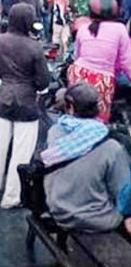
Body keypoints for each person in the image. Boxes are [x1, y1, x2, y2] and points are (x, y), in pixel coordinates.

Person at [0, 4, 50, 209]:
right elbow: (43, 82)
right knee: (21, 151)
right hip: (27, 102)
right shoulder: (34, 47)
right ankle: (12, 197)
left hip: (4, 98)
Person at [42, 84, 131, 235]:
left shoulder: (55, 132)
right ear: (98, 108)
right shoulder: (111, 147)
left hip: (58, 209)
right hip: (97, 219)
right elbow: (124, 192)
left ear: (69, 107)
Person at [68, 0, 131, 122]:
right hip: (102, 80)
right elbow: (126, 61)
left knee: (76, 115)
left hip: (78, 74)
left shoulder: (83, 28)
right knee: (98, 120)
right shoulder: (120, 29)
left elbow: (76, 55)